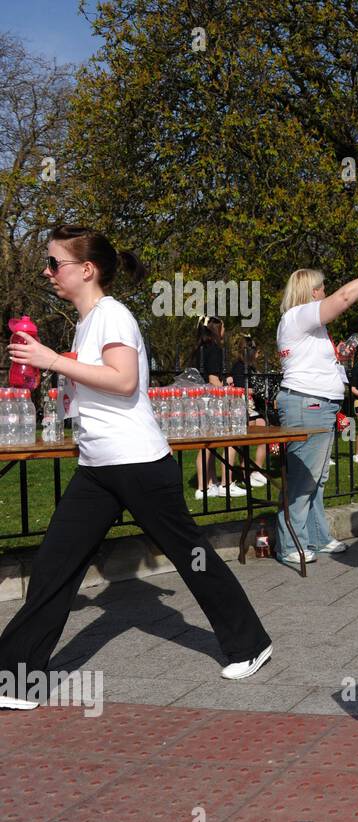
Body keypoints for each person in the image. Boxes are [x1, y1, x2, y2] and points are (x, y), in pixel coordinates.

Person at [0, 225, 273, 708]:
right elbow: (98, 387)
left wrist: (54, 362)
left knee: (193, 557)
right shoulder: (85, 324)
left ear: (86, 270)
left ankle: (251, 644)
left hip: (140, 465)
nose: (47, 271)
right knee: (54, 566)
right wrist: (55, 373)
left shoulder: (112, 315)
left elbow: (125, 382)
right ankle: (16, 680)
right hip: (98, 469)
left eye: (54, 263)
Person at [276, 252, 358, 567]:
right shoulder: (299, 315)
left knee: (318, 476)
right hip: (307, 402)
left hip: (318, 403)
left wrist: (339, 354)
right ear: (311, 291)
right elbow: (344, 297)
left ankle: (316, 534)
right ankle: (291, 543)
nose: (325, 292)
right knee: (304, 478)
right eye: (321, 287)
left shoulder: (310, 328)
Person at [192, 316, 243, 499]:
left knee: (208, 443)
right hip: (212, 402)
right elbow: (213, 379)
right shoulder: (215, 349)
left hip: (198, 399)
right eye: (222, 328)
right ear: (216, 329)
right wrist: (225, 392)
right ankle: (205, 487)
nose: (224, 332)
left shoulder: (198, 350)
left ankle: (209, 482)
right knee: (209, 444)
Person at [230, 335, 268, 487]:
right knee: (244, 441)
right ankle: (247, 472)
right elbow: (240, 388)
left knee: (263, 432)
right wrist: (257, 389)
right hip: (243, 407)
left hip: (253, 408)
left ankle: (255, 470)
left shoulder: (251, 367)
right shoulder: (239, 367)